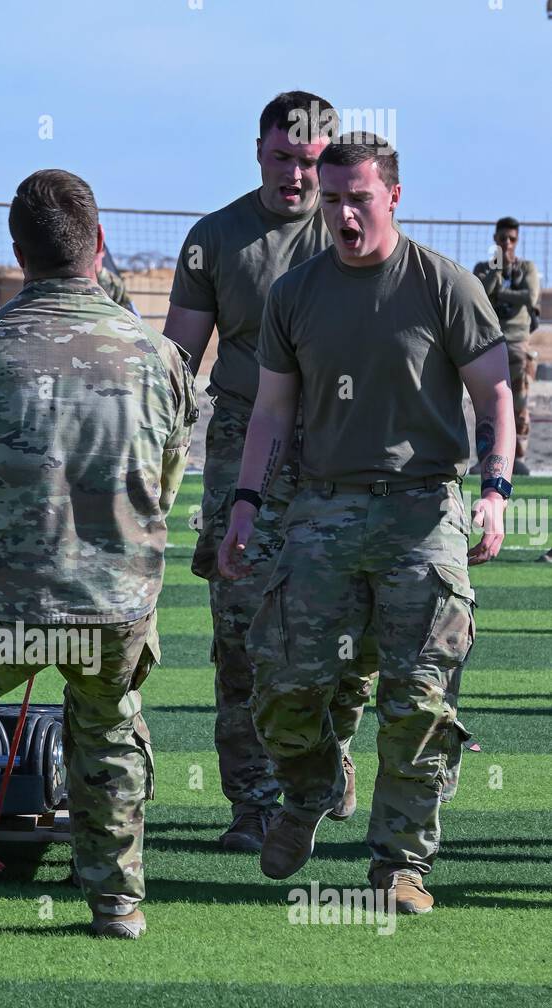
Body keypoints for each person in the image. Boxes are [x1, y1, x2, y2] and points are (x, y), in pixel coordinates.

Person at [0, 168, 197, 938]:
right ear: (97, 246)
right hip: (114, 607)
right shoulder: (160, 358)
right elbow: (164, 483)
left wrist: (3, 544)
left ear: (16, 254)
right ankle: (117, 902)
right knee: (110, 720)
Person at [218, 135, 515, 914]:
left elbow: (496, 397)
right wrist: (245, 504)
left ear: (394, 195)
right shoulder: (296, 293)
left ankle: (399, 865)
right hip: (323, 506)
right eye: (331, 198)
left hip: (423, 509)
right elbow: (272, 410)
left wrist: (495, 490)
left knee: (418, 697)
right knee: (282, 684)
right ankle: (311, 790)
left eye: (359, 197)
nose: (344, 214)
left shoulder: (443, 285)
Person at [164, 92, 377, 855]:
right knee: (241, 633)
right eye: (283, 158)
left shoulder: (353, 232)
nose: (296, 176)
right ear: (258, 150)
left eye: (311, 163)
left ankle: (330, 755)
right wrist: (157, 456)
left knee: (351, 629)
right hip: (238, 447)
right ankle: (251, 804)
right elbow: (179, 362)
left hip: (336, 448)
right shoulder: (216, 239)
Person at [473, 218, 540, 478]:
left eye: (512, 239)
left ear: (517, 240)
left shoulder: (527, 268)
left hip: (517, 344)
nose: (507, 244)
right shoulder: (484, 267)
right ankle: (486, 457)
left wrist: (501, 292)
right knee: (486, 404)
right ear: (495, 239)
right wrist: (496, 272)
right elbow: (480, 294)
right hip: (489, 342)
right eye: (503, 239)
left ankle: (519, 457)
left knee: (520, 403)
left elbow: (530, 297)